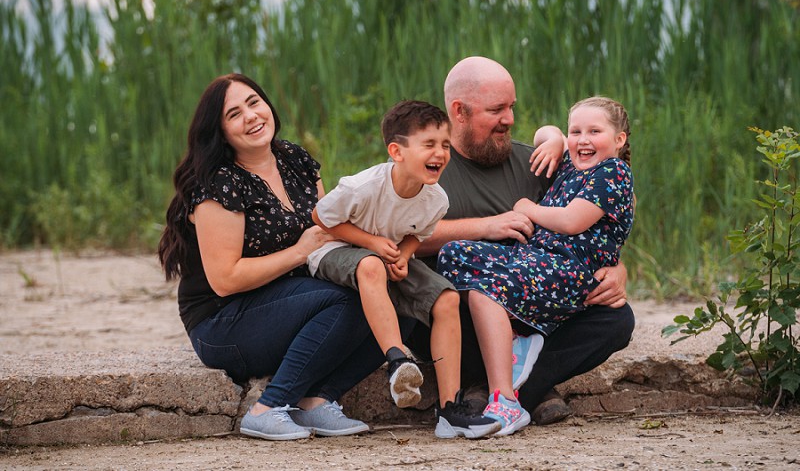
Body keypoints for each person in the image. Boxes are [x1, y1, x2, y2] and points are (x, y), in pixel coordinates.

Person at [158, 73, 394, 441]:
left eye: (254, 103)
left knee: (398, 293)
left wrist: (378, 253)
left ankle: (317, 401)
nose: (251, 116)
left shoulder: (295, 159)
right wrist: (298, 251)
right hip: (223, 322)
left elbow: (328, 230)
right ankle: (268, 408)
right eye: (234, 114)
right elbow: (225, 279)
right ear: (219, 131)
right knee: (343, 301)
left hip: (289, 302)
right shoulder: (219, 182)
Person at [414, 56, 635, 429]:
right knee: (427, 299)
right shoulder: (427, 166)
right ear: (460, 111)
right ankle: (523, 389)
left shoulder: (536, 162)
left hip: (535, 296)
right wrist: (484, 227)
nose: (510, 120)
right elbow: (398, 241)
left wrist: (617, 268)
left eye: (511, 107)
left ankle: (496, 392)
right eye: (497, 110)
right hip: (461, 309)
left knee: (616, 319)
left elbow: (587, 226)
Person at [308, 100, 501, 439]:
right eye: (429, 144)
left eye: (444, 144)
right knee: (370, 266)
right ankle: (398, 360)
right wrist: (370, 242)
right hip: (335, 251)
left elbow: (418, 233)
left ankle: (449, 410)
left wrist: (404, 253)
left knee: (446, 298)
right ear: (396, 151)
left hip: (386, 254)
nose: (440, 153)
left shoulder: (436, 198)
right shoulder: (361, 187)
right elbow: (321, 220)